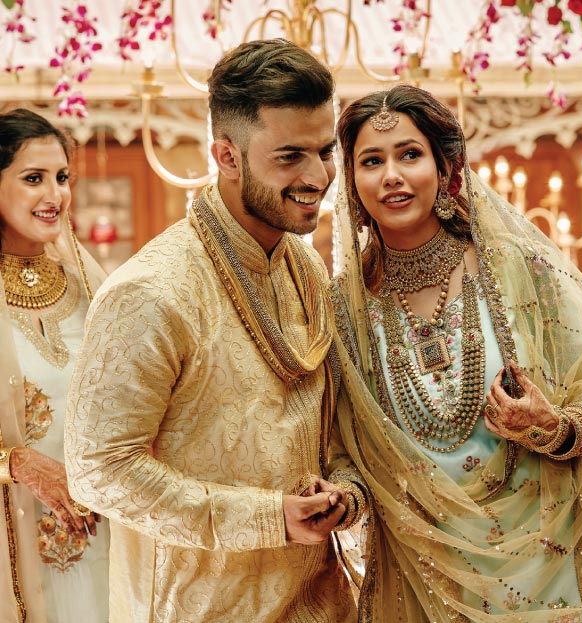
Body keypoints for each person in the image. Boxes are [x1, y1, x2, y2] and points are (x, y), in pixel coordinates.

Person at [328, 84, 582, 622]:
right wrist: (344, 496)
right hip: (432, 571)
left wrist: (555, 424)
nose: (391, 174)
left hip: (559, 549)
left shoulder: (512, 268)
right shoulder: (342, 311)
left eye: (410, 154)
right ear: (351, 181)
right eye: (371, 161)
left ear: (446, 168)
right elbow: (344, 444)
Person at [63, 39, 366, 622]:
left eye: (324, 151)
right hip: (199, 608)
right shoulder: (150, 292)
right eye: (289, 157)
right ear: (225, 156)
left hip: (321, 603)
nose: (319, 176)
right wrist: (265, 518)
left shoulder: (302, 267)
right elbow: (99, 471)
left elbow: (330, 425)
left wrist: (343, 493)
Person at [0, 109, 108, 623]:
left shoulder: (89, 287)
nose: (55, 195)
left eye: (62, 177)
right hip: (12, 545)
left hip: (102, 537)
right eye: (33, 179)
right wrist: (14, 462)